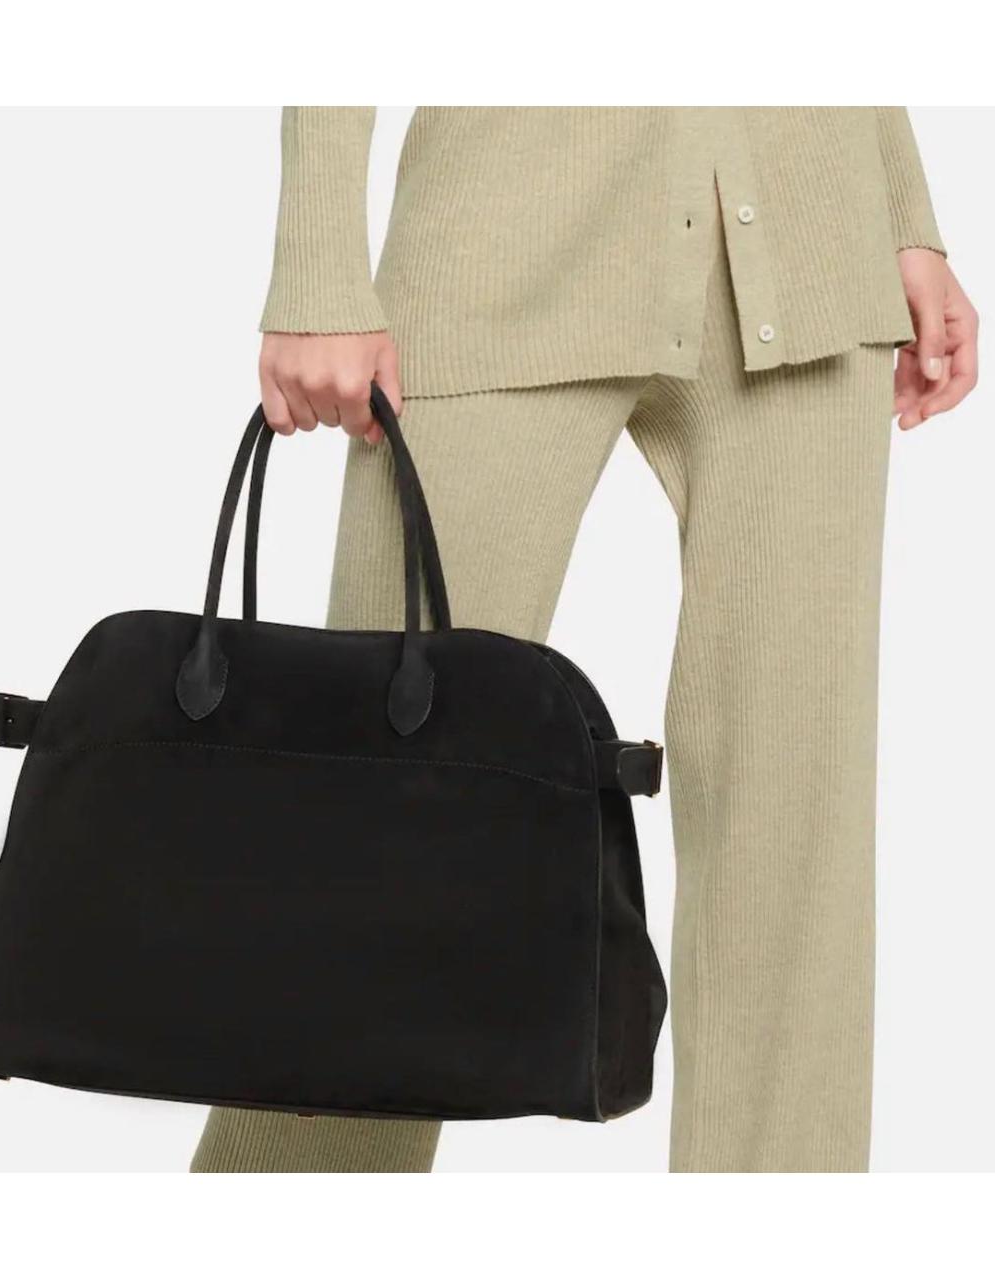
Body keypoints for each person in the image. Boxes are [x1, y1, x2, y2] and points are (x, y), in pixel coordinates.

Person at [191, 107, 978, 1174]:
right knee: (388, 814)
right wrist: (317, 261)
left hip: (812, 240)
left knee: (796, 825)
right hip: (504, 241)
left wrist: (903, 212)